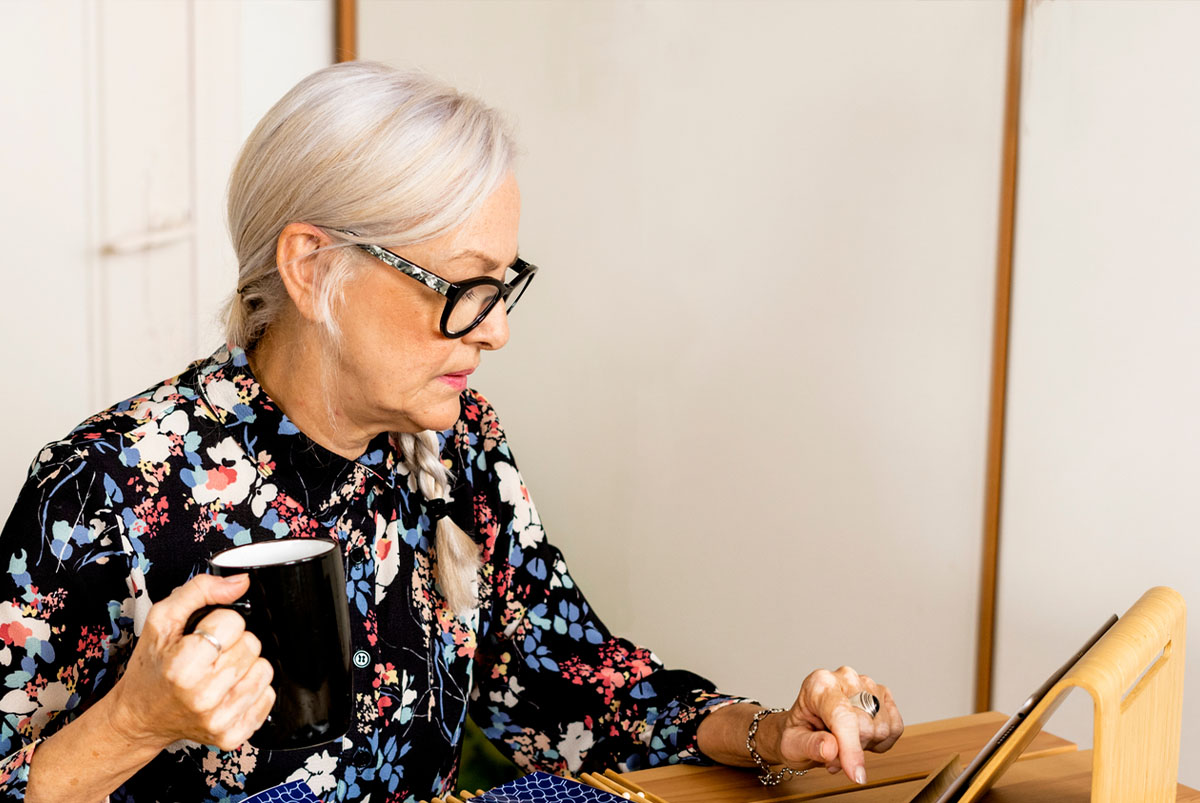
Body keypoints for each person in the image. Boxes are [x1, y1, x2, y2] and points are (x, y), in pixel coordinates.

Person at [0, 61, 902, 802]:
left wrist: (772, 732)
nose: (496, 329)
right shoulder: (102, 489)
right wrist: (136, 721)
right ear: (314, 266)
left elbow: (564, 680)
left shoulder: (453, 446)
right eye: (464, 288)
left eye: (503, 286)